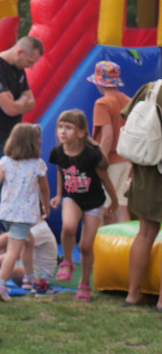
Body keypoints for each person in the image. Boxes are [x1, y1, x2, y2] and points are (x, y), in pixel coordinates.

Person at [49, 109, 118, 302]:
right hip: (72, 198)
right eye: (60, 127)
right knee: (69, 227)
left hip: (93, 202)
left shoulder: (92, 155)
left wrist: (114, 200)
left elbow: (106, 180)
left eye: (68, 128)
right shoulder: (58, 151)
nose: (62, 131)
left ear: (80, 132)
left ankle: (84, 283)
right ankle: (68, 262)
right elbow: (61, 173)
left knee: (87, 247)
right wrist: (59, 195)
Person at [0, 36, 44, 239]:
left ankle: (4, 243)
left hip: (12, 142)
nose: (31, 67)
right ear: (19, 52)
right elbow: (9, 109)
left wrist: (19, 103)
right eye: (30, 62)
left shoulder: (18, 69)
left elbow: (31, 101)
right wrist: (20, 103)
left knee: (12, 195)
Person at [0, 123, 50, 301]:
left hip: (7, 212)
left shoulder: (5, 161)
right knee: (14, 250)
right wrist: (46, 206)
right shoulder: (38, 165)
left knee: (29, 241)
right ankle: (0, 283)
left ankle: (28, 279)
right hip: (23, 215)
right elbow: (44, 189)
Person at [122, 80, 162, 309]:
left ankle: (132, 294)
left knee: (145, 233)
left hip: (145, 167)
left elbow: (129, 121)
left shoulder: (150, 87)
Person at [87, 61, 131, 225]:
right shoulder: (129, 100)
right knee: (121, 206)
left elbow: (107, 136)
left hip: (110, 162)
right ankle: (124, 246)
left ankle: (98, 246)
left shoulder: (102, 103)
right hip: (126, 161)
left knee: (101, 207)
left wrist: (100, 162)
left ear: (99, 82)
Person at [0, 221, 60, 297]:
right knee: (0, 247)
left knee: (13, 268)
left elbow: (16, 255)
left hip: (40, 277)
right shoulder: (29, 228)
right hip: (24, 268)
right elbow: (6, 236)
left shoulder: (39, 230)